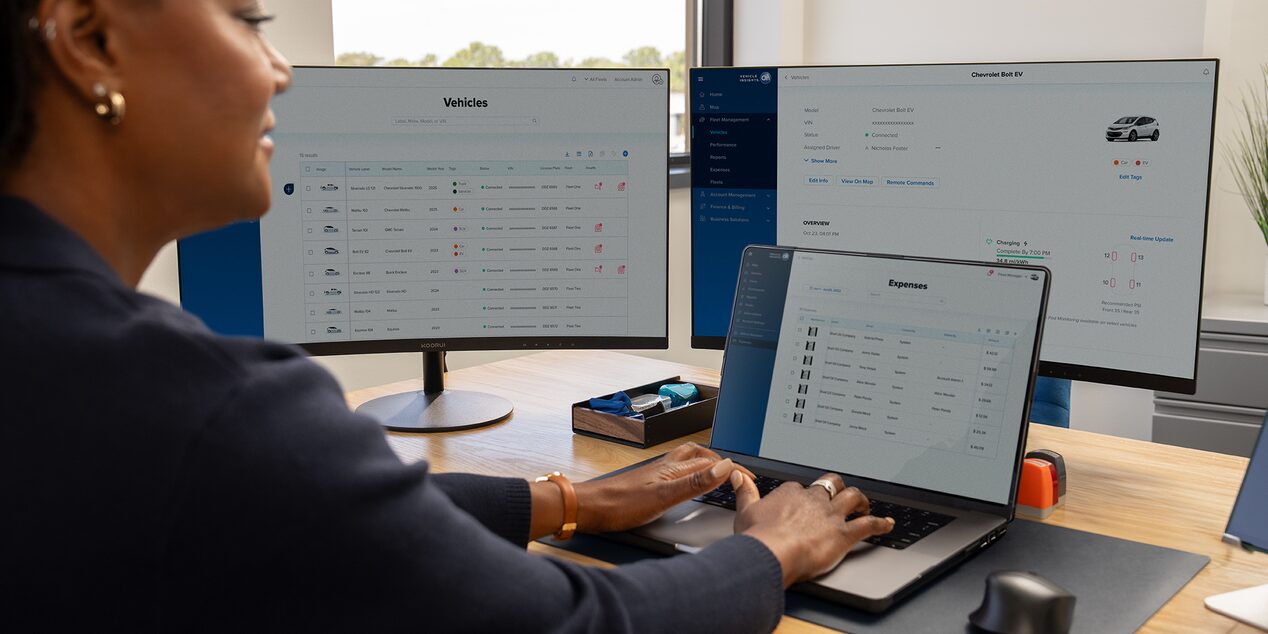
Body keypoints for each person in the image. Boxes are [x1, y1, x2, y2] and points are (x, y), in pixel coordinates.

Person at [0, 1, 893, 631]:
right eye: (247, 18)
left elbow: (298, 506)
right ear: (89, 37)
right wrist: (773, 552)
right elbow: (579, 626)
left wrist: (566, 500)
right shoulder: (207, 410)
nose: (277, 69)